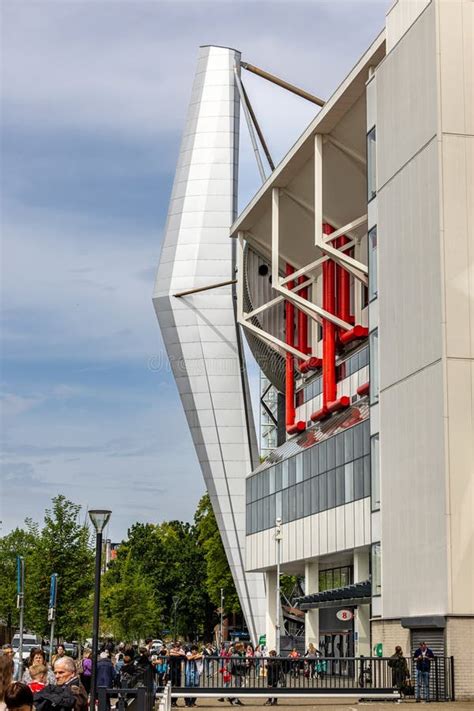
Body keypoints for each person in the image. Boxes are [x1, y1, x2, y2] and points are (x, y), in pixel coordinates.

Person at [168, 643, 186, 707]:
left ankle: (174, 701)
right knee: (171, 686)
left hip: (178, 672)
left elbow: (184, 657)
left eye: (178, 647)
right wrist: (179, 654)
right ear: (173, 647)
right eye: (175, 647)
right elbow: (171, 657)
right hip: (172, 672)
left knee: (178, 686)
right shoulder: (171, 654)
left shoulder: (178, 653)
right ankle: (170, 701)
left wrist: (178, 654)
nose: (176, 648)